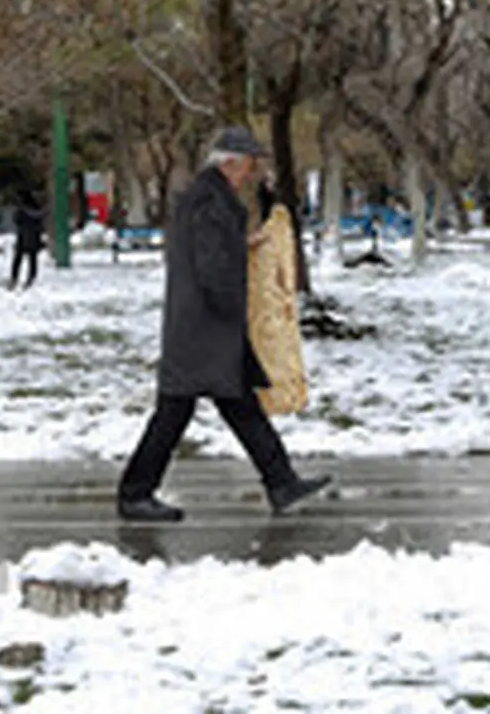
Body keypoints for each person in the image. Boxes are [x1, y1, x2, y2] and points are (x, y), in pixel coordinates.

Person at [116, 126, 332, 522]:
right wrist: (238, 307)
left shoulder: (207, 197)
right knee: (176, 413)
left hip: (201, 327)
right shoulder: (209, 200)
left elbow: (211, 248)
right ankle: (134, 494)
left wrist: (240, 244)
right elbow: (211, 264)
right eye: (248, 165)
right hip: (205, 327)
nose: (250, 173)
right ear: (230, 162)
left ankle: (281, 482)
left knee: (239, 407)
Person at [9, 188, 45, 290]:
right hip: (33, 236)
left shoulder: (22, 208)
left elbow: (16, 219)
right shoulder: (36, 207)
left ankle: (14, 278)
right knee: (32, 258)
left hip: (23, 235)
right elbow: (40, 222)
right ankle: (31, 278)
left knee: (18, 258)